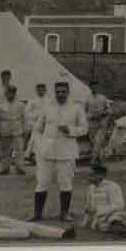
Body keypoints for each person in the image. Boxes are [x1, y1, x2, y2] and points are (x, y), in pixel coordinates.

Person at [30, 81, 88, 222]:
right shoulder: (47, 107)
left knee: (65, 182)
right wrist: (38, 146)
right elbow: (37, 129)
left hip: (66, 151)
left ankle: (64, 213)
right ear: (54, 92)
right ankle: (37, 214)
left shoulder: (76, 108)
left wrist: (70, 130)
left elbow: (84, 128)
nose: (60, 94)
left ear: (68, 92)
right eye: (58, 92)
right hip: (46, 152)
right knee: (42, 182)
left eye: (63, 91)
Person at [82, 164, 126, 237]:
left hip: (112, 214)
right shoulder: (90, 188)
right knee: (104, 227)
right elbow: (89, 207)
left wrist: (103, 213)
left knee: (115, 222)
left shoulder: (112, 186)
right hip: (98, 218)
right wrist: (86, 220)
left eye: (91, 175)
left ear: (101, 175)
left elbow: (119, 205)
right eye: (88, 176)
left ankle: (125, 231)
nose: (88, 178)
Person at [0, 85, 27, 175]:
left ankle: (19, 167)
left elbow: (24, 118)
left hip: (17, 127)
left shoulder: (20, 105)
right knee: (5, 149)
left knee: (19, 149)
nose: (10, 95)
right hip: (5, 127)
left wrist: (25, 130)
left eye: (12, 93)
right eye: (9, 93)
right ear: (6, 94)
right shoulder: (0, 106)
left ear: (15, 94)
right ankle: (5, 167)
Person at [84, 80, 112, 165]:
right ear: (90, 88)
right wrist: (90, 117)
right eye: (92, 87)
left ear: (98, 87)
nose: (94, 88)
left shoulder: (103, 98)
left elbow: (109, 109)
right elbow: (84, 111)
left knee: (98, 141)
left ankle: (93, 160)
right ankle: (98, 159)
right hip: (92, 123)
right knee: (93, 141)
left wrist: (105, 114)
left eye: (96, 86)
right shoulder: (87, 99)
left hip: (101, 123)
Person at [23, 83, 49, 165]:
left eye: (42, 90)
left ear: (45, 90)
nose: (40, 91)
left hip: (47, 123)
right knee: (35, 133)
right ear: (36, 91)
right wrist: (36, 116)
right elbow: (27, 113)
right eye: (39, 90)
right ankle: (31, 155)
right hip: (34, 122)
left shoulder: (49, 100)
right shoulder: (32, 101)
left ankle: (32, 155)